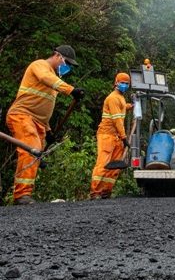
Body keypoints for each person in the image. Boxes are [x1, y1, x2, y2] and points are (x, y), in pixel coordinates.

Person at [5, 45, 85, 205]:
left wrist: (48, 131)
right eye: (66, 63)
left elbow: (42, 108)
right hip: (21, 115)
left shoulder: (54, 81)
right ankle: (21, 196)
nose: (67, 67)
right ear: (57, 55)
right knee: (31, 148)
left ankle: (24, 194)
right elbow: (46, 78)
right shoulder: (40, 66)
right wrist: (71, 90)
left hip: (39, 123)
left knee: (36, 154)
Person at [90, 73, 132, 199]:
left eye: (126, 83)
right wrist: (124, 137)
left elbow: (121, 108)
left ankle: (105, 192)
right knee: (103, 164)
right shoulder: (113, 98)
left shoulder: (120, 98)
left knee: (114, 167)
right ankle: (95, 192)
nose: (124, 85)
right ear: (116, 82)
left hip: (116, 136)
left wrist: (130, 106)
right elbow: (117, 120)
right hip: (107, 135)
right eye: (122, 82)